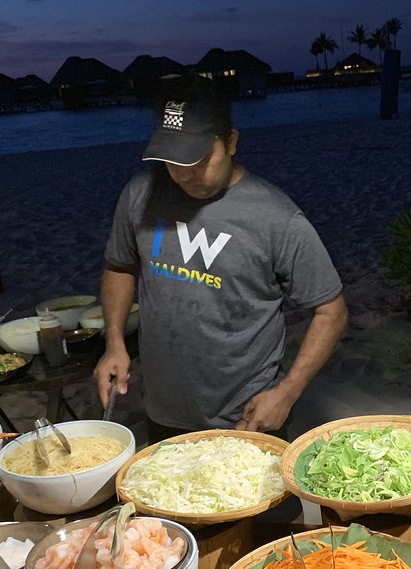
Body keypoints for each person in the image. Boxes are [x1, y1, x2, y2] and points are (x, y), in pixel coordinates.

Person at [94, 77, 347, 443]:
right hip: (164, 412)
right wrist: (114, 343)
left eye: (196, 159)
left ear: (230, 142)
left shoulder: (277, 217)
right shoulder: (139, 194)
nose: (182, 174)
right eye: (170, 159)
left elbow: (332, 310)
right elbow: (120, 266)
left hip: (245, 416)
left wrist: (287, 392)